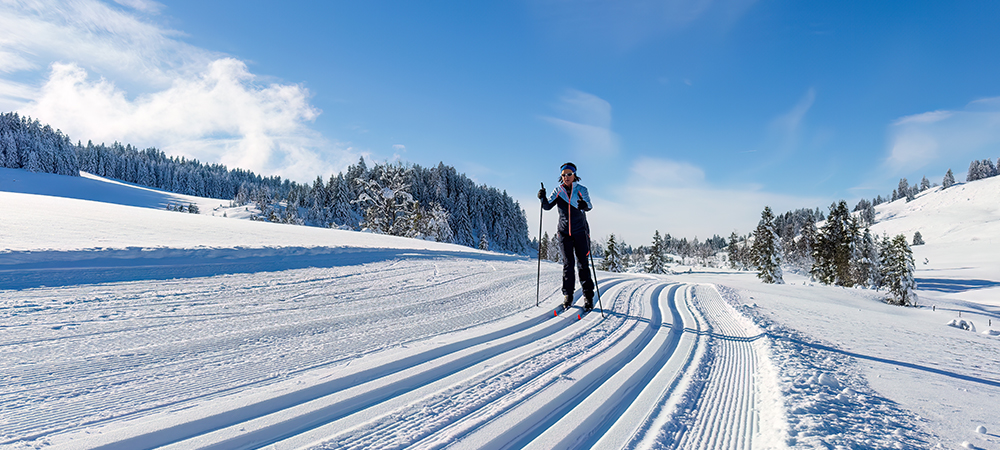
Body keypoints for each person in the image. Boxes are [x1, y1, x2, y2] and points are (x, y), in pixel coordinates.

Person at [538, 162, 595, 311]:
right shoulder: (558, 191)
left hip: (581, 232)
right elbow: (547, 206)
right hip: (564, 233)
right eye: (564, 175)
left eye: (569, 174)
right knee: (568, 264)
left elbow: (589, 205)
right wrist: (542, 198)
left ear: (574, 175)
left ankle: (588, 297)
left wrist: (583, 205)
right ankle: (568, 296)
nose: (566, 177)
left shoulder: (581, 190)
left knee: (583, 264)